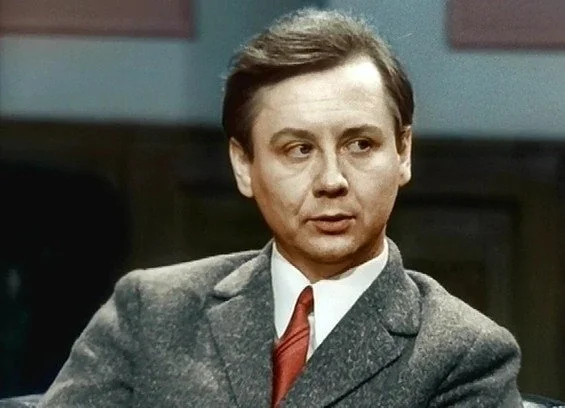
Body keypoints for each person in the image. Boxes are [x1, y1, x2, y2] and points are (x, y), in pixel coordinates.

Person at [39, 9, 522, 408]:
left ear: (403, 153)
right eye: (298, 150)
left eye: (360, 144)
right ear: (244, 165)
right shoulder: (151, 312)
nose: (331, 180)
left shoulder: (465, 355)